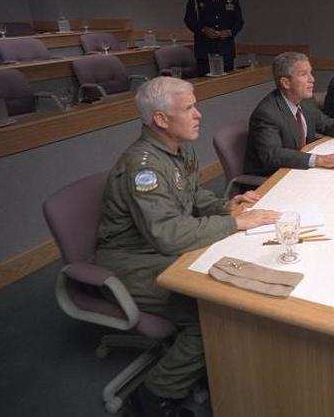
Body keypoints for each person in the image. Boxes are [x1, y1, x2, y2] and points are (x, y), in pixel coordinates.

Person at [96, 77, 279, 416]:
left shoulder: (180, 148)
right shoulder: (144, 167)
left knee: (231, 281)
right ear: (161, 120)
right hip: (130, 259)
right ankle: (154, 395)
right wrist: (235, 223)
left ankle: (210, 367)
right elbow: (168, 235)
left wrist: (227, 205)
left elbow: (194, 196)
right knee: (210, 313)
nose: (198, 114)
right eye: (188, 108)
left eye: (196, 105)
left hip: (159, 246)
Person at [244, 52, 334, 176]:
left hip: (300, 170)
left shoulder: (306, 100)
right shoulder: (267, 113)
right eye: (303, 74)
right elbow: (273, 155)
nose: (312, 79)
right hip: (272, 179)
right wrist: (320, 160)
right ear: (285, 83)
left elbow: (325, 122)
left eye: (310, 73)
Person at [183, 0, 244, 75]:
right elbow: (189, 19)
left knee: (227, 85)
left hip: (225, 49)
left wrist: (230, 32)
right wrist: (203, 29)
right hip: (204, 50)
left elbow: (239, 21)